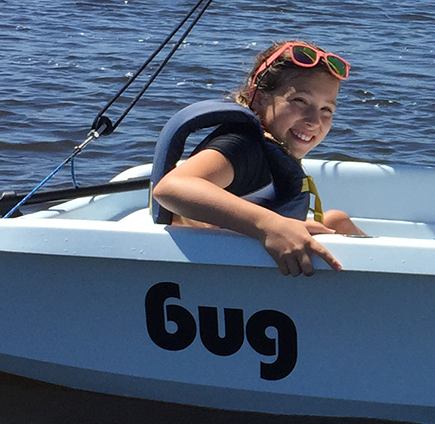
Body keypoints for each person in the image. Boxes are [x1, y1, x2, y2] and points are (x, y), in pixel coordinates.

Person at [151, 40, 366, 276]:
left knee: (337, 221)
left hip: (240, 258)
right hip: (214, 274)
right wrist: (270, 226)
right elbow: (171, 188)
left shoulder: (271, 148)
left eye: (327, 109)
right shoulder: (243, 147)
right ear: (259, 97)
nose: (314, 120)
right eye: (300, 101)